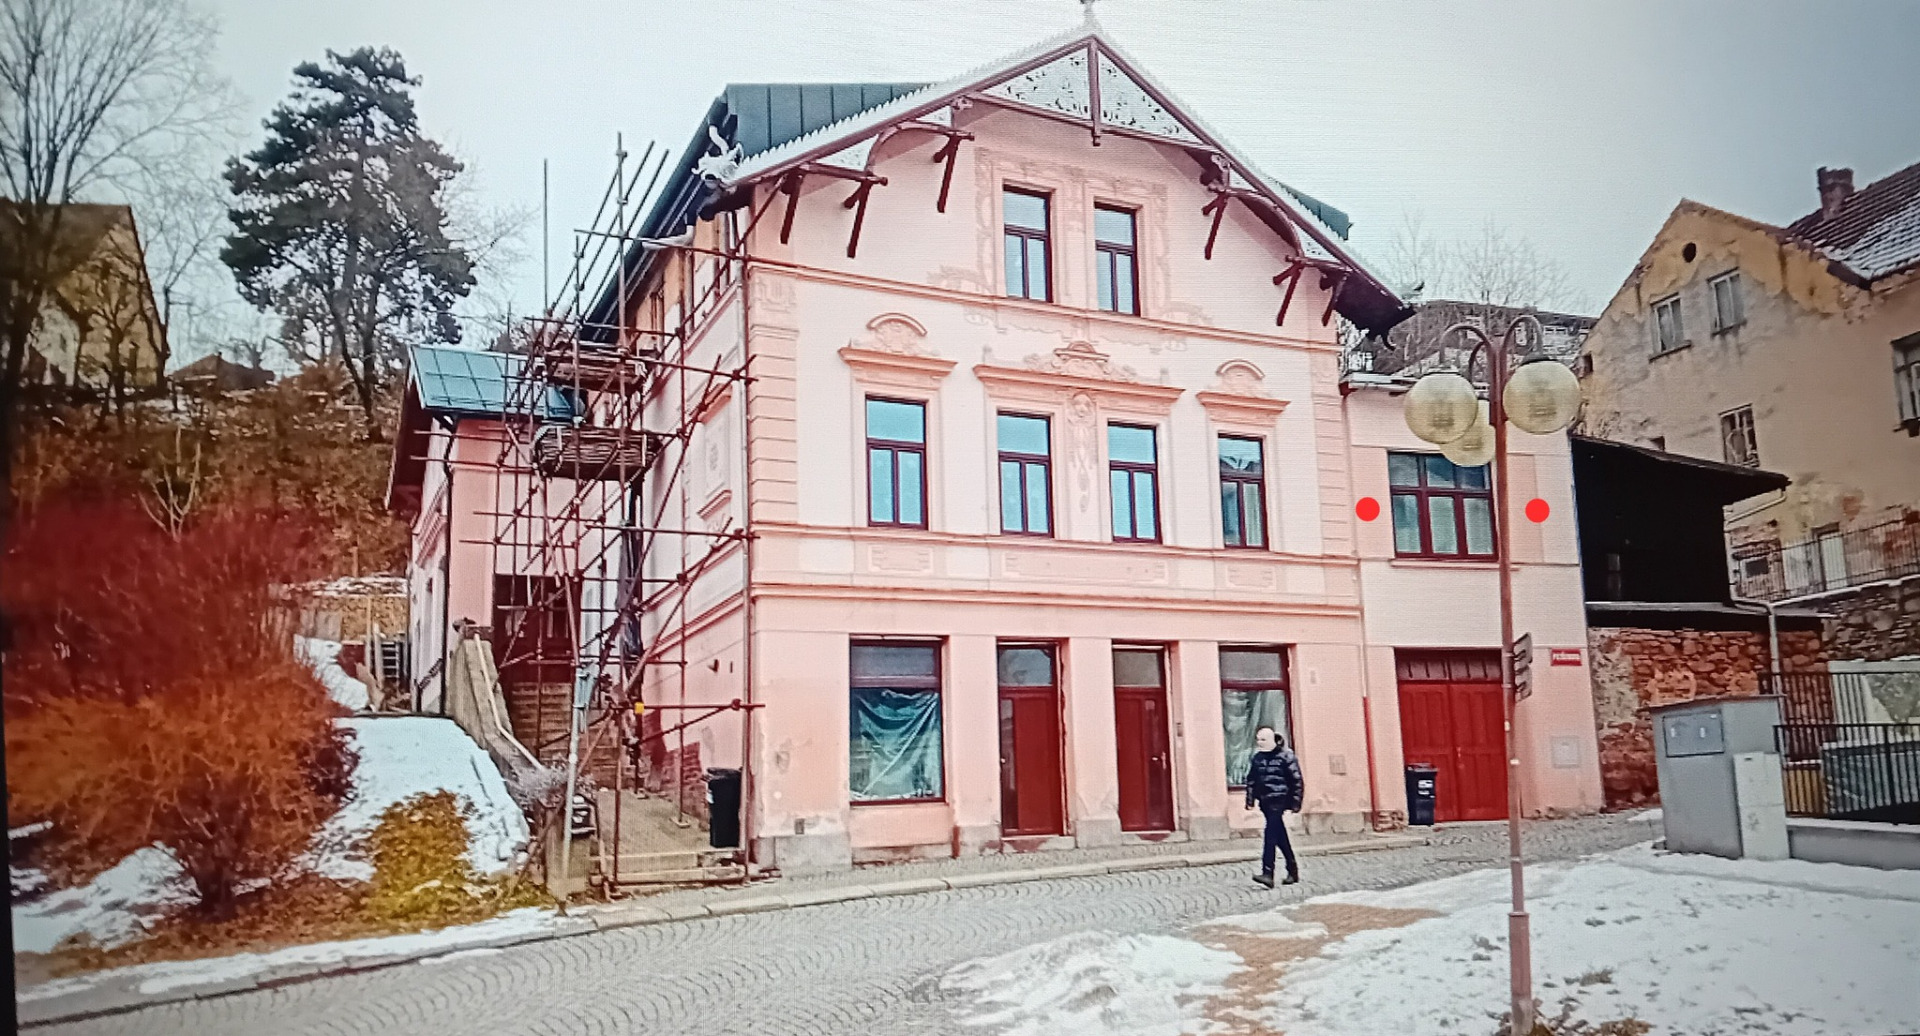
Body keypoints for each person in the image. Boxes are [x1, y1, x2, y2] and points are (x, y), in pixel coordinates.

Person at [1243, 725, 1303, 888]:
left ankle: (1268, 873)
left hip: (1279, 800)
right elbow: (1252, 780)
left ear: (1272, 740)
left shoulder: (1286, 756)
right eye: (1258, 739)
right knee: (1280, 836)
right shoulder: (1257, 758)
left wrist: (1295, 803)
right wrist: (1250, 800)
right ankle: (1292, 869)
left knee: (1270, 835)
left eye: (1263, 739)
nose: (1260, 742)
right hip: (1265, 801)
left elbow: (1296, 780)